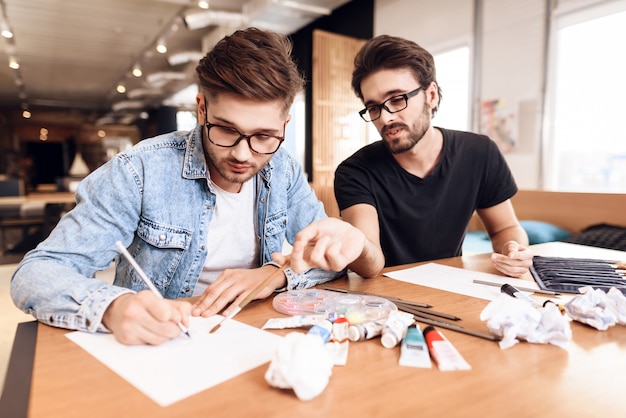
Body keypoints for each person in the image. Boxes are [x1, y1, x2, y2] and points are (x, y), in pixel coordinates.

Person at [11, 27, 350, 346]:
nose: (243, 154)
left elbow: (327, 256)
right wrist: (113, 308)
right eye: (227, 130)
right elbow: (37, 273)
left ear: (284, 125)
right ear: (202, 109)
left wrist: (274, 274)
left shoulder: (283, 169)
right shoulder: (139, 172)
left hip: (252, 336)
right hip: (166, 343)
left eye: (263, 136)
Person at [334, 34, 533, 278]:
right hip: (383, 294)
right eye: (374, 107)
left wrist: (513, 248)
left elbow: (506, 228)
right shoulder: (355, 171)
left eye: (397, 100)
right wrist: (349, 243)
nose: (386, 119)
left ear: (431, 95)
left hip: (452, 284)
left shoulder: (479, 153)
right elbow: (369, 261)